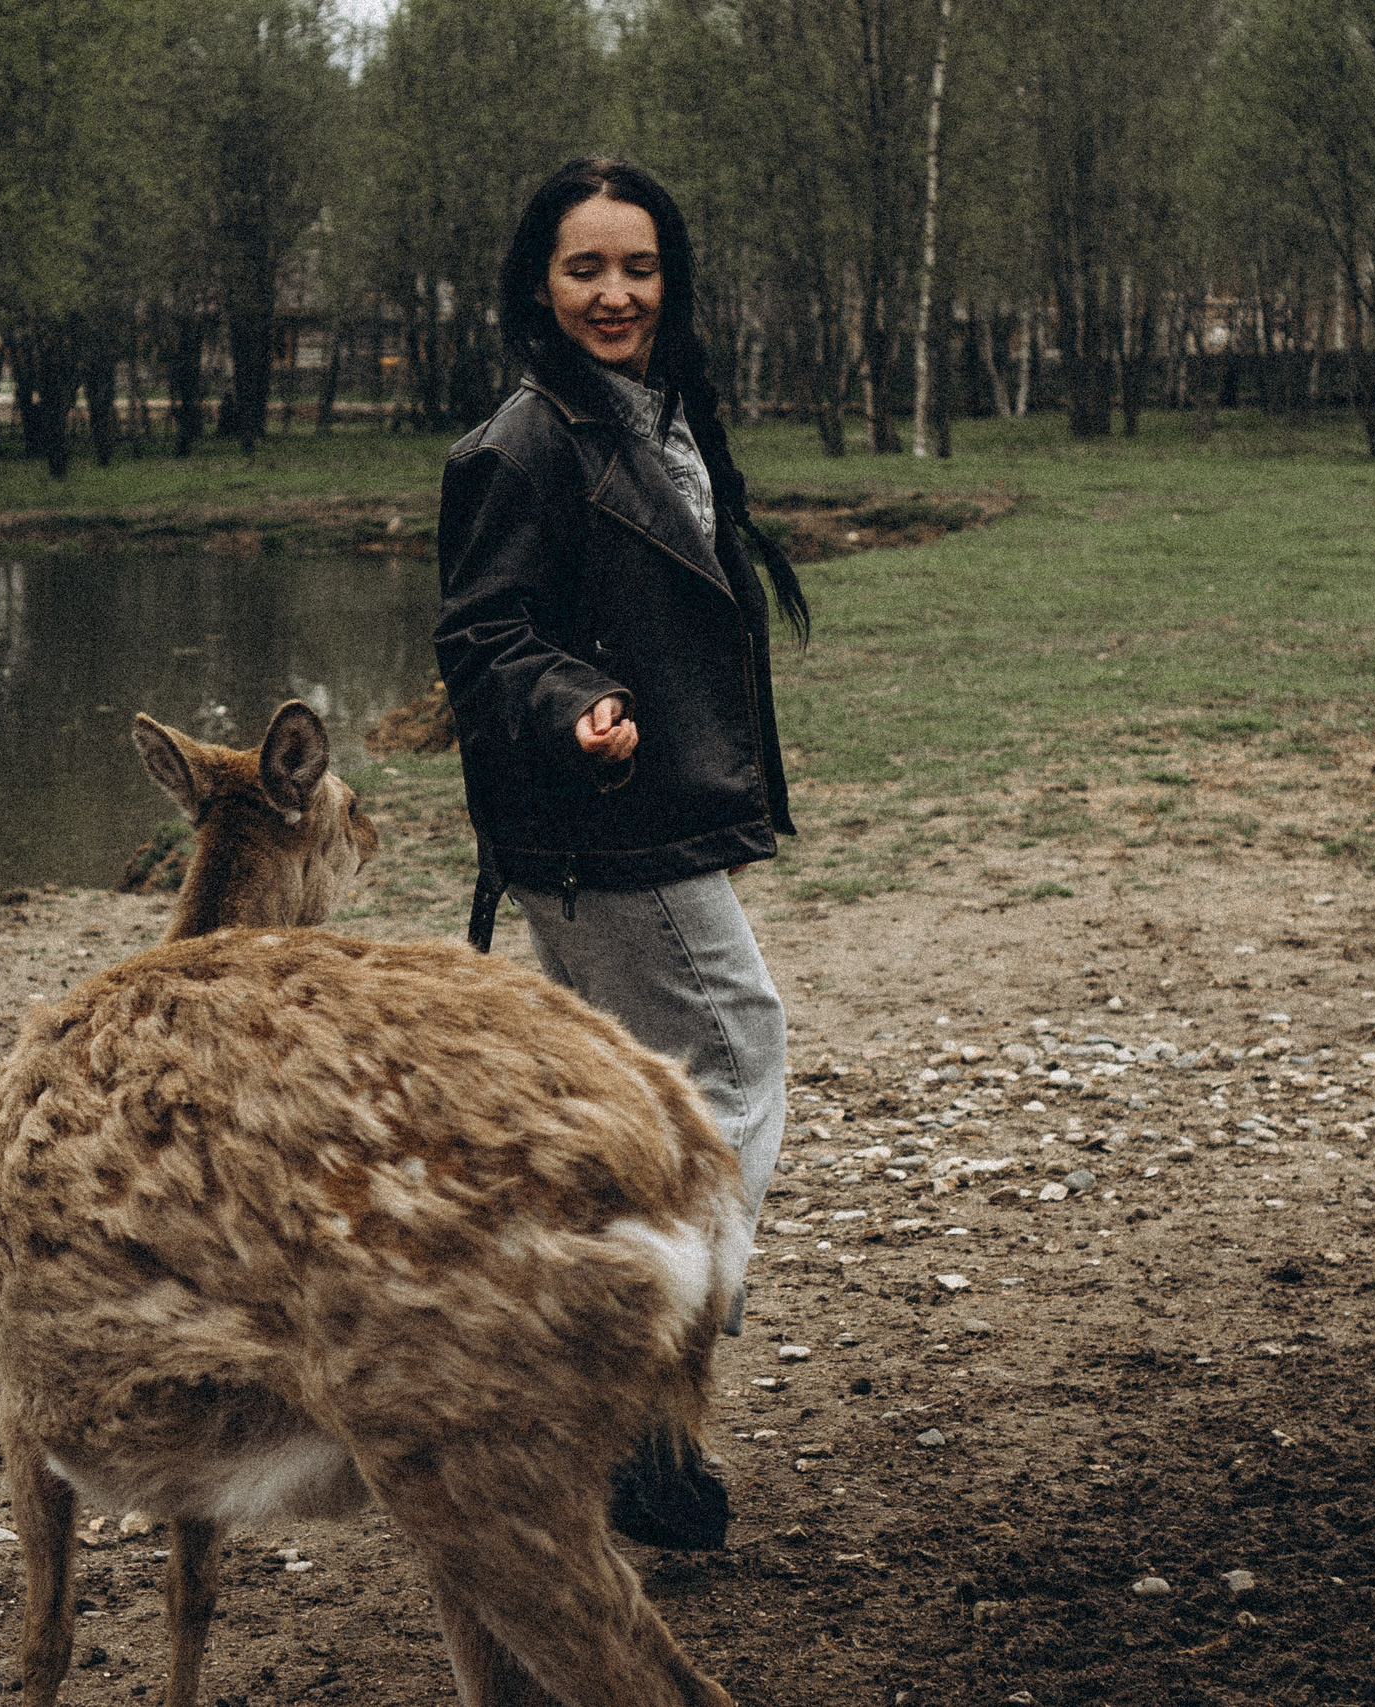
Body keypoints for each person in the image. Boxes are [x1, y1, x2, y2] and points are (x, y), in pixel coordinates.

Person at [434, 157, 812, 1550]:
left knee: (626, 1114)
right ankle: (637, 1379)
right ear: (540, 281)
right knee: (735, 1052)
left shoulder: (650, 412)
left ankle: (638, 1427)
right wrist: (568, 703)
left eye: (638, 267)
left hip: (637, 810)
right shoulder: (524, 442)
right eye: (586, 268)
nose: (614, 292)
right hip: (605, 827)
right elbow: (482, 636)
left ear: (672, 279)